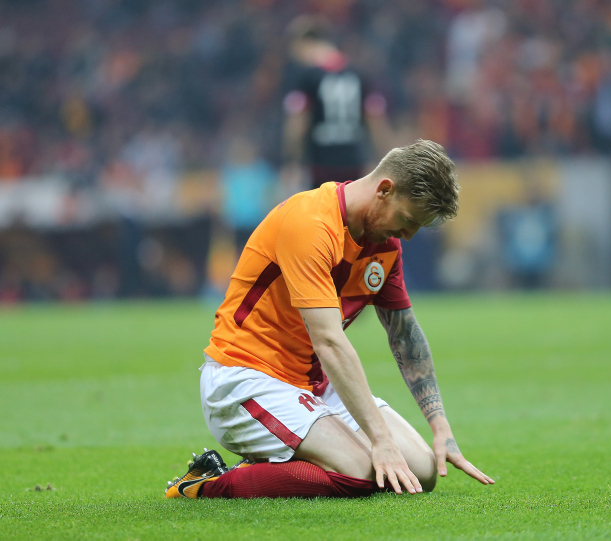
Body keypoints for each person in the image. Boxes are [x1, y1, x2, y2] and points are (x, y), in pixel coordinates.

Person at [165, 140, 494, 499]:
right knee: (361, 472)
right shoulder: (310, 223)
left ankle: (288, 458)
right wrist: (381, 440)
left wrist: (440, 426)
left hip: (314, 384)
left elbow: (405, 336)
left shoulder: (384, 245)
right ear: (385, 190)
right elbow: (329, 341)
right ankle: (206, 483)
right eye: (408, 220)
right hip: (247, 379)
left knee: (422, 470)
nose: (408, 235)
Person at [280, 16, 392, 193]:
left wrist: (291, 161)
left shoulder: (307, 77)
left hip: (320, 166)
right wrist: (384, 160)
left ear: (305, 43)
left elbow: (297, 122)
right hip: (355, 164)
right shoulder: (359, 73)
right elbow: (376, 120)